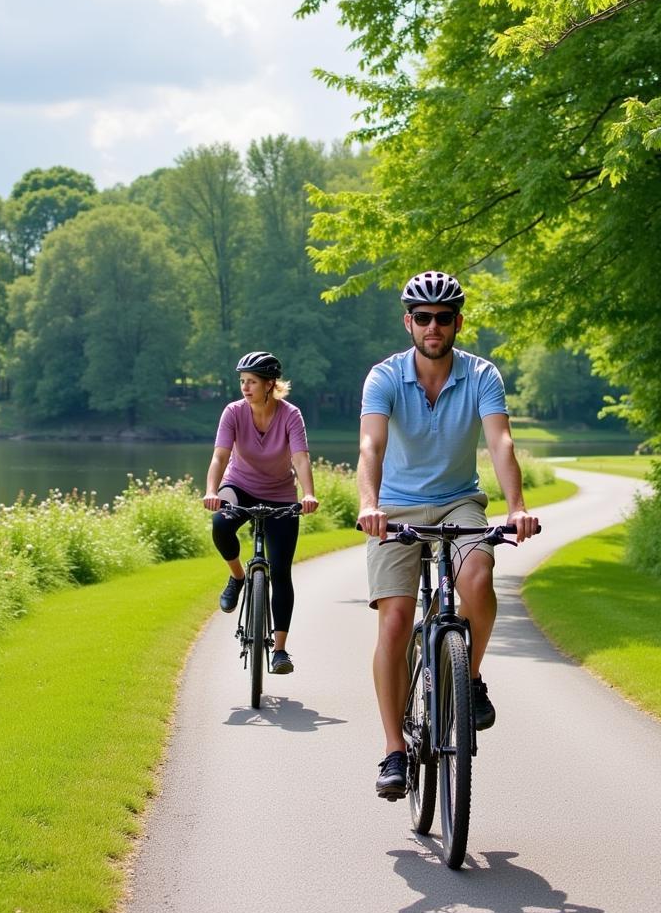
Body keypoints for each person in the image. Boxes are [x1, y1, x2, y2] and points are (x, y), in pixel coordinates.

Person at [356, 271, 540, 799]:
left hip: (461, 501)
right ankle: (394, 749)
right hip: (394, 508)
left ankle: (471, 676)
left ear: (457, 322)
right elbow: (371, 446)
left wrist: (518, 507)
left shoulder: (482, 375)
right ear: (407, 322)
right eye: (422, 318)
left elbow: (500, 441)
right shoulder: (384, 377)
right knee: (393, 621)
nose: (432, 326)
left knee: (478, 579)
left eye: (443, 317)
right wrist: (369, 504)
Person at [203, 351, 319, 675]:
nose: (244, 387)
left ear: (270, 385)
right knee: (220, 525)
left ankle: (279, 651)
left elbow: (300, 458)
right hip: (238, 485)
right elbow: (220, 457)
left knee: (280, 572)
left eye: (251, 381)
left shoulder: (291, 415)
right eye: (242, 381)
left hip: (281, 495)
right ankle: (238, 575)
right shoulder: (233, 413)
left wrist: (308, 493)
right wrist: (212, 490)